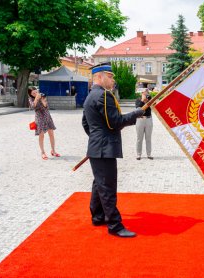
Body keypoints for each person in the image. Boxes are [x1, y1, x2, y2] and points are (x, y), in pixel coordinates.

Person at [82, 63, 146, 238]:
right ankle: (115, 225)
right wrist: (136, 113)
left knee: (99, 184)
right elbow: (116, 122)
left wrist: (97, 137)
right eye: (110, 76)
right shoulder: (103, 96)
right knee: (107, 187)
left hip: (97, 147)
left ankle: (97, 216)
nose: (113, 79)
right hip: (104, 148)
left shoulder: (90, 96)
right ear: (99, 77)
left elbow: (86, 124)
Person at [28, 87, 59, 160]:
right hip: (39, 118)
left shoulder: (42, 95)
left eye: (36, 92)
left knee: (51, 134)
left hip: (47, 116)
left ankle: (53, 151)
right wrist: (36, 98)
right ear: (30, 94)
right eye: (33, 93)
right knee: (41, 135)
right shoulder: (31, 99)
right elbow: (33, 106)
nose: (35, 94)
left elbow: (46, 106)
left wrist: (42, 99)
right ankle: (43, 152)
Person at [135, 89, 153, 160]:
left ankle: (149, 154)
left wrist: (147, 100)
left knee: (148, 138)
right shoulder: (138, 100)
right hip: (140, 119)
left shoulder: (150, 99)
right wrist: (142, 100)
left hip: (148, 119)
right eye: (145, 92)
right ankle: (138, 154)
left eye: (147, 92)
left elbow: (151, 105)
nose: (146, 93)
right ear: (142, 93)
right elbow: (138, 108)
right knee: (139, 138)